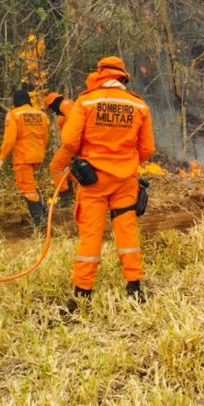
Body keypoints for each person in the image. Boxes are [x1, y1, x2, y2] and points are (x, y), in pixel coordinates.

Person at [51, 56, 155, 310]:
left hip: (93, 180)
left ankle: (82, 293)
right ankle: (134, 288)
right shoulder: (138, 105)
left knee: (91, 235)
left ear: (99, 74)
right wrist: (127, 162)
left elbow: (71, 141)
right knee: (127, 231)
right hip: (125, 180)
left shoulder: (87, 101)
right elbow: (148, 148)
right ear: (123, 77)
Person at [0, 89, 49, 228]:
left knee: (27, 188)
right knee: (29, 185)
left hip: (23, 157)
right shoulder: (40, 114)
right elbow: (45, 137)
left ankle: (39, 221)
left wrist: (1, 159)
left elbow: (9, 139)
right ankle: (43, 213)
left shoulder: (14, 115)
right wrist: (40, 152)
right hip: (37, 155)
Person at [45, 92, 76, 207]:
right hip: (72, 142)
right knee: (71, 169)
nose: (52, 110)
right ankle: (77, 195)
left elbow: (75, 122)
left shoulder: (64, 105)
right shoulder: (69, 105)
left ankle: (65, 197)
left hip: (72, 143)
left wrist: (73, 141)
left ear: (54, 103)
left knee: (55, 166)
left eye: (51, 107)